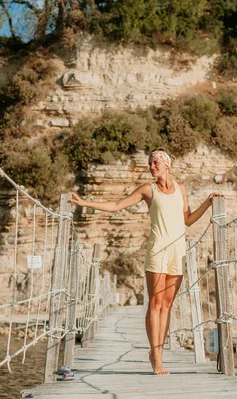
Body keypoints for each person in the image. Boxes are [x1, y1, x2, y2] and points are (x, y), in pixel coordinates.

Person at [70, 148, 223, 375]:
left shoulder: (180, 188)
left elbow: (188, 220)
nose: (151, 167)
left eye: (155, 163)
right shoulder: (148, 190)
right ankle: (157, 357)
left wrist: (208, 203)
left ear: (166, 164)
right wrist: (85, 203)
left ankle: (157, 351)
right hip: (157, 249)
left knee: (168, 305)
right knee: (156, 303)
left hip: (177, 250)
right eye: (150, 164)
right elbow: (116, 205)